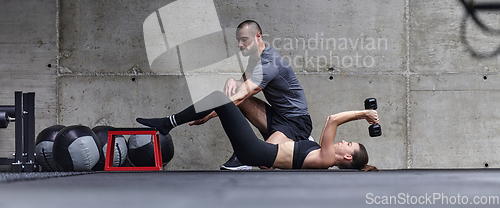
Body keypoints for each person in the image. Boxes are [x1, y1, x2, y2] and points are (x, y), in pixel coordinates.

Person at [139, 20, 313, 170]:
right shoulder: (256, 58)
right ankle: (169, 123)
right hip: (277, 117)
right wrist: (231, 81)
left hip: (296, 123)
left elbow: (239, 97)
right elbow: (239, 89)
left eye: (244, 40)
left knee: (264, 163)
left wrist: (209, 114)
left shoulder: (270, 63)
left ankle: (302, 143)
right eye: (238, 40)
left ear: (258, 36)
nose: (240, 45)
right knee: (235, 98)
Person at [137, 90, 379, 170]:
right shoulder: (317, 152)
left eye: (348, 144)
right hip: (259, 153)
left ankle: (167, 123)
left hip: (255, 150)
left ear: (347, 157)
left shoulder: (326, 159)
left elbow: (332, 120)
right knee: (222, 101)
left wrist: (363, 114)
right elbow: (283, 147)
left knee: (221, 99)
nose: (343, 141)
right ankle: (167, 123)